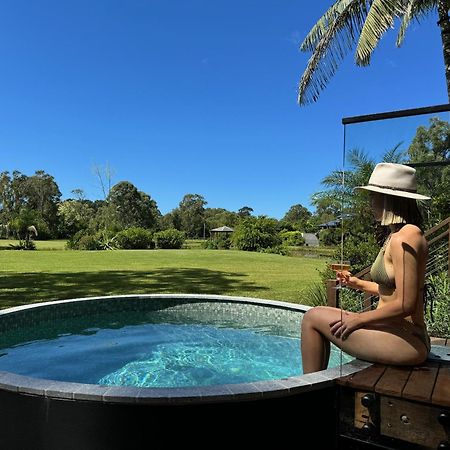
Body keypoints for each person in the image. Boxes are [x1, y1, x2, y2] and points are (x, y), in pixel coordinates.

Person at [301, 162, 431, 374]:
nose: (370, 202)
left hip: (408, 341)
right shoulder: (397, 235)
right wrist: (358, 283)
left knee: (312, 319)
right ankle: (314, 388)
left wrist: (358, 319)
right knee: (315, 313)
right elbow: (394, 292)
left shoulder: (406, 237)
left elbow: (406, 304)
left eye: (373, 196)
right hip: (394, 331)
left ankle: (310, 395)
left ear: (389, 199)